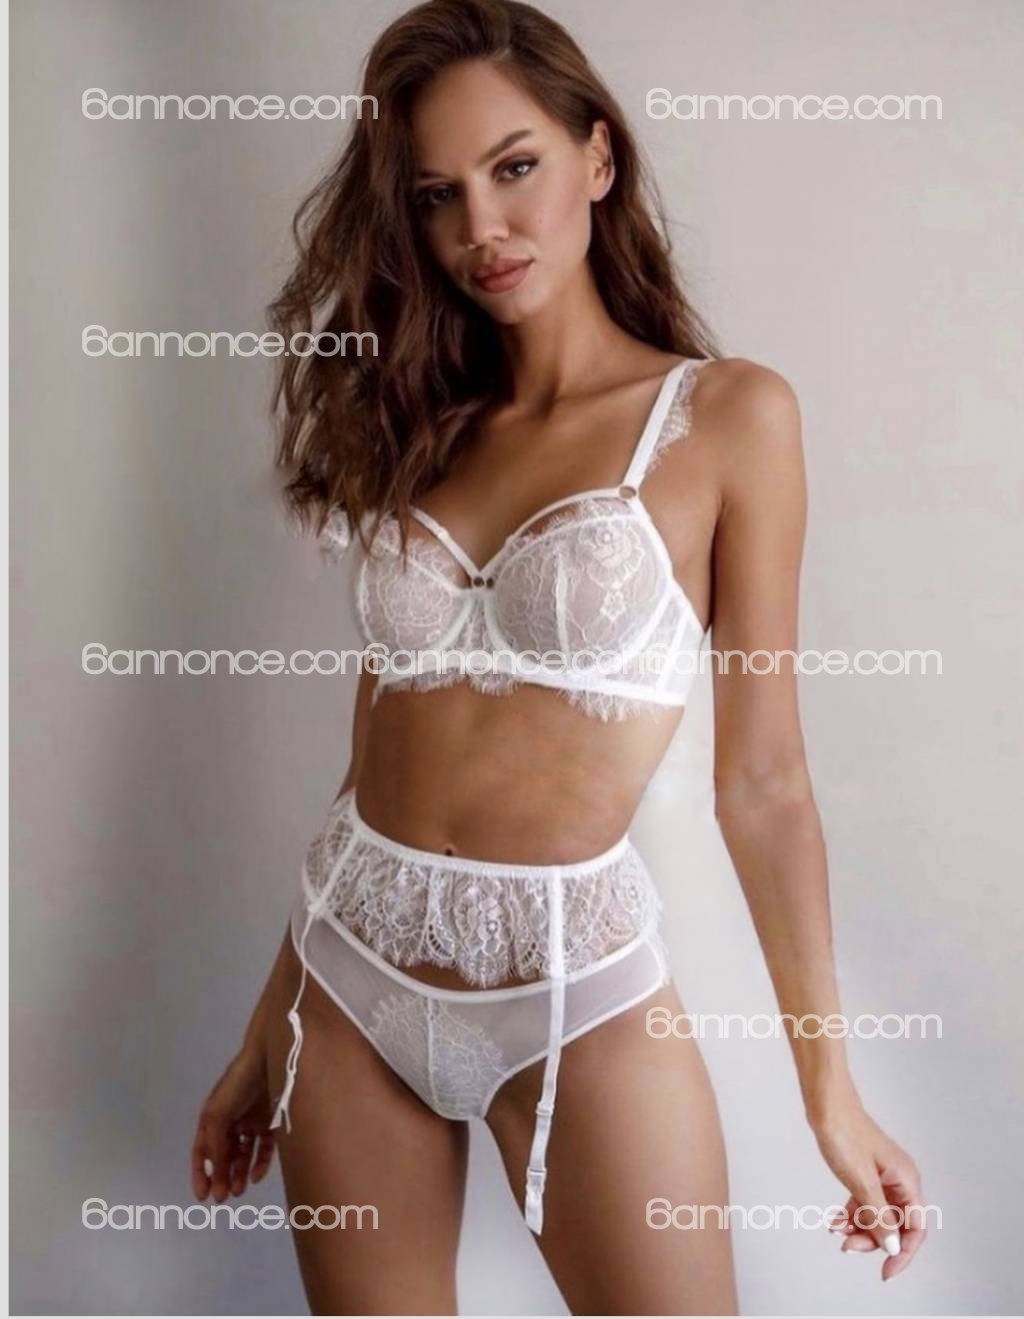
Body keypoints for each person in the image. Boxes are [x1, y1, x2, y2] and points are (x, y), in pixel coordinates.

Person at [190, 1, 926, 1312]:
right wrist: (265, 1031)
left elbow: (763, 785)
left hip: (575, 985)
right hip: (346, 975)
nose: (481, 226)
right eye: (439, 195)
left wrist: (832, 1094)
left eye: (515, 166)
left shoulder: (729, 418)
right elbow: (372, 763)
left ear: (598, 156)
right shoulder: (424, 422)